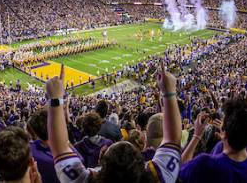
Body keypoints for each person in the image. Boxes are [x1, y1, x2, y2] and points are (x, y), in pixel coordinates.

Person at [47, 63, 182, 183]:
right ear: (142, 162)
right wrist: (169, 92)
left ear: (101, 157)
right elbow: (174, 138)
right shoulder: (157, 177)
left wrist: (56, 98)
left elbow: (59, 147)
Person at [178, 98, 247, 183]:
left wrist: (196, 136)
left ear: (225, 131)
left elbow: (180, 169)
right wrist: (227, 136)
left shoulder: (205, 163)